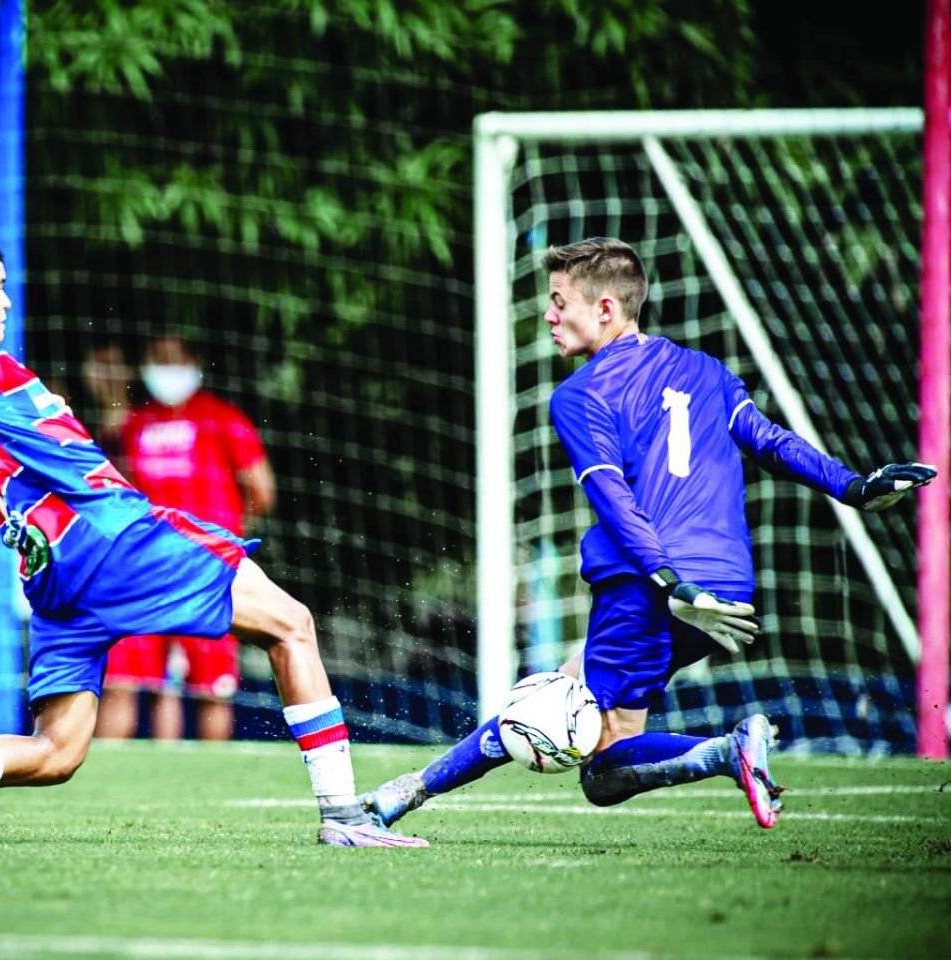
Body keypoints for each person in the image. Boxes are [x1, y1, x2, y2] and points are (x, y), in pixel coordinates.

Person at [0, 229, 423, 848]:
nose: (7, 302)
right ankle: (346, 819)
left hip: (52, 571)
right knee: (292, 624)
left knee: (56, 753)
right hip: (111, 537)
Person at [361, 237, 935, 832]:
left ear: (606, 309)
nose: (549, 316)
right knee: (575, 696)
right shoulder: (706, 371)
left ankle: (728, 749)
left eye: (560, 302)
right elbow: (770, 441)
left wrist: (666, 581)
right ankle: (398, 797)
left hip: (654, 582)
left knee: (587, 752)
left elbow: (613, 498)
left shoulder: (581, 394)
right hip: (727, 585)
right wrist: (855, 487)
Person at [97, 334, 275, 742]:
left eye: (174, 358)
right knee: (127, 680)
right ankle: (107, 779)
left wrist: (225, 533)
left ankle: (210, 779)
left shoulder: (221, 417)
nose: (165, 367)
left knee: (211, 686)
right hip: (144, 565)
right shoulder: (135, 422)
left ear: (195, 362)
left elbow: (261, 490)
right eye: (157, 358)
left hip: (204, 564)